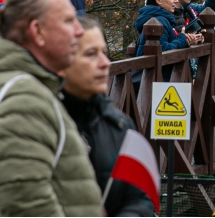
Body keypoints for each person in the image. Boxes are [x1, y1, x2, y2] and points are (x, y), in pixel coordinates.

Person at [0, 0, 102, 216]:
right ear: (37, 31)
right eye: (68, 21)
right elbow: (25, 202)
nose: (79, 30)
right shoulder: (22, 96)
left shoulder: (27, 85)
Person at [60, 17, 154, 217]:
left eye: (104, 53)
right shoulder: (38, 124)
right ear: (60, 61)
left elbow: (138, 199)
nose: (104, 63)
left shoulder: (119, 125)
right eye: (91, 54)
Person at [133, 0, 203, 85]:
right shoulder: (159, 20)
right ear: (158, 0)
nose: (176, 0)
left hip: (163, 80)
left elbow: (169, 43)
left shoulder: (163, 18)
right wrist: (182, 39)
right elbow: (163, 50)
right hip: (159, 82)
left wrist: (188, 40)